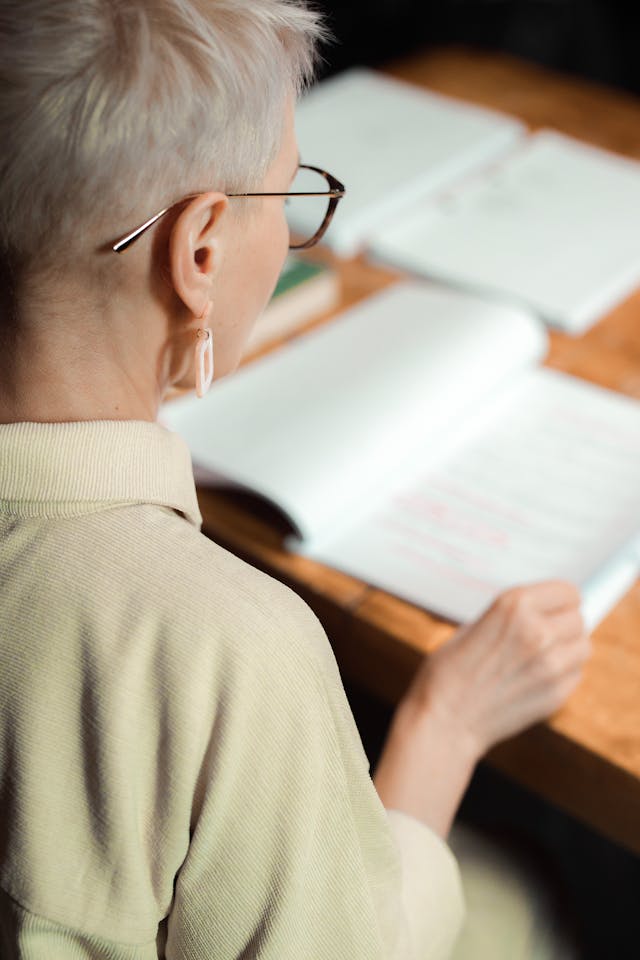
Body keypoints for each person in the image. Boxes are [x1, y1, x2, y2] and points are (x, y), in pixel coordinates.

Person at [0, 1, 590, 956]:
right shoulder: (235, 651)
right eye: (287, 196)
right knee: (520, 890)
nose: (292, 233)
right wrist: (445, 721)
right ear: (198, 253)